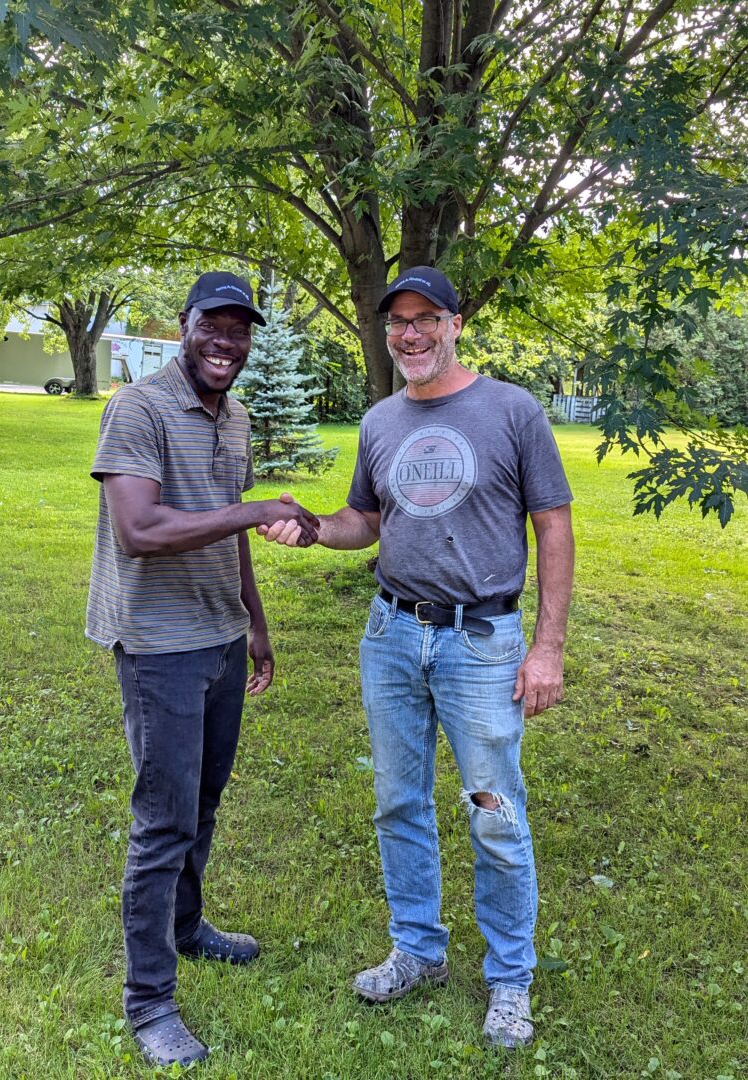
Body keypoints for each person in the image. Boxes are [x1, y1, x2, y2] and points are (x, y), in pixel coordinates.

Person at [261, 266, 574, 1049]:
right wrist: (311, 529)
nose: (409, 333)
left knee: (491, 811)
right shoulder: (379, 422)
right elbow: (364, 521)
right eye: (397, 320)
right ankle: (418, 951)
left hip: (482, 641)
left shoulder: (511, 410)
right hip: (392, 635)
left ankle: (509, 979)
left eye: (425, 317)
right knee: (398, 802)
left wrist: (547, 647)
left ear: (455, 323)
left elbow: (554, 528)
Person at [85, 271, 319, 1068]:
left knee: (203, 801)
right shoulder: (138, 409)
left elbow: (226, 530)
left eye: (240, 330)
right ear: (182, 326)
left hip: (218, 636)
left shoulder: (238, 416)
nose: (227, 342)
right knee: (163, 822)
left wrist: (254, 622)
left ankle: (185, 929)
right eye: (212, 326)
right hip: (158, 645)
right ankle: (148, 1001)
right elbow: (140, 530)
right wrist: (257, 509)